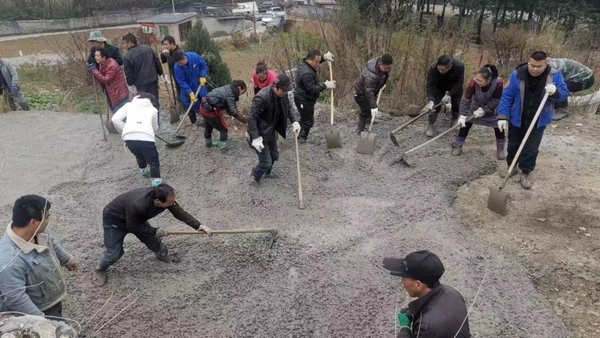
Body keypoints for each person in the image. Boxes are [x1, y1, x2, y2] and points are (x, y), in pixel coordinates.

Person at [94, 184, 204, 286]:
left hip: (136, 219)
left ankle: (162, 254)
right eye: (170, 203)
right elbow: (133, 226)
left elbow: (178, 212)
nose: (172, 204)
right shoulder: (138, 204)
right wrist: (154, 231)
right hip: (115, 221)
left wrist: (199, 226)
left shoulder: (164, 198)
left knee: (153, 241)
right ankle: (100, 269)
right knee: (113, 253)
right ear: (158, 201)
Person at [497, 51, 569, 189]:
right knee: (513, 145)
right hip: (517, 117)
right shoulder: (518, 73)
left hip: (539, 119)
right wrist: (502, 115)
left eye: (539, 66)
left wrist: (555, 91)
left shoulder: (554, 75)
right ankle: (511, 167)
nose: (535, 69)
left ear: (545, 64)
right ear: (528, 62)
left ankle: (525, 173)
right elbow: (507, 95)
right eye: (532, 65)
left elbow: (564, 94)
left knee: (531, 149)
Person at [0, 195, 77, 317]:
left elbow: (52, 243)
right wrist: (42, 321)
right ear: (34, 222)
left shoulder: (38, 231)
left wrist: (67, 260)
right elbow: (16, 298)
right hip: (39, 309)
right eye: (47, 217)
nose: (48, 220)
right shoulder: (10, 261)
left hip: (49, 300)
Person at [382, 250, 470, 338]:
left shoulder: (426, 328)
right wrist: (417, 312)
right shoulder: (452, 293)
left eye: (404, 277)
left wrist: (404, 329)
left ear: (418, 285)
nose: (402, 282)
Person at [247, 74, 300, 185]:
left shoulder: (283, 94)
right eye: (283, 90)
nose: (285, 92)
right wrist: (255, 137)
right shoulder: (261, 97)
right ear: (275, 87)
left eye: (286, 90)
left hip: (271, 130)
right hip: (260, 133)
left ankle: (267, 172)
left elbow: (289, 107)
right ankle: (255, 177)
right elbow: (251, 117)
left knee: (275, 156)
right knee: (266, 161)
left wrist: (294, 121)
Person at [452, 64, 505, 159]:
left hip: (492, 108)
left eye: (480, 80)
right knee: (466, 124)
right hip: (475, 106)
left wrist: (485, 110)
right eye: (477, 79)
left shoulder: (498, 83)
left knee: (499, 126)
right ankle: (458, 145)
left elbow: (497, 100)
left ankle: (500, 150)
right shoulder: (473, 83)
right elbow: (466, 99)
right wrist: (463, 116)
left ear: (488, 80)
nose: (477, 81)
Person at [111, 93, 162, 187]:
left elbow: (115, 119)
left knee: (138, 154)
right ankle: (156, 181)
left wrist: (125, 129)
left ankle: (143, 170)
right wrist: (151, 131)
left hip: (129, 137)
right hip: (147, 136)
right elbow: (154, 127)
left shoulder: (128, 106)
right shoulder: (153, 110)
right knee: (153, 159)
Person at [293, 49, 336, 143]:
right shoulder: (306, 74)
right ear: (309, 59)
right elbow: (311, 89)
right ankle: (301, 139)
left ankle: (298, 134)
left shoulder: (305, 64)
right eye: (316, 61)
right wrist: (325, 85)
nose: (318, 64)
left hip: (303, 98)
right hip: (304, 99)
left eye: (319, 61)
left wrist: (324, 57)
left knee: (304, 118)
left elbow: (316, 61)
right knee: (308, 121)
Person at [122, 33, 166, 111]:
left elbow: (129, 73)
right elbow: (157, 62)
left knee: (143, 105)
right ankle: (156, 121)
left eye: (124, 43)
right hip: (153, 81)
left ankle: (147, 121)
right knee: (154, 102)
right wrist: (161, 73)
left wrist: (131, 85)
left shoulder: (127, 56)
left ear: (130, 43)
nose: (124, 46)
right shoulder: (147, 48)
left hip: (140, 85)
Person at [423, 55, 465, 137]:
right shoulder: (433, 68)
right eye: (439, 69)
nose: (440, 71)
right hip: (440, 86)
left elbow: (459, 83)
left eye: (443, 70)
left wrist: (449, 95)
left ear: (449, 67)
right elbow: (430, 85)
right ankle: (430, 125)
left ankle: (454, 120)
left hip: (454, 85)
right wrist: (431, 100)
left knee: (456, 103)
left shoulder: (459, 66)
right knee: (435, 106)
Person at [200, 80, 248, 150]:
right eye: (242, 92)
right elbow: (234, 111)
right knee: (224, 129)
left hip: (203, 107)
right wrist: (245, 121)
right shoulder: (231, 94)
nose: (240, 95)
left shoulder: (228, 87)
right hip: (211, 111)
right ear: (239, 88)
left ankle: (208, 144)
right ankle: (223, 146)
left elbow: (228, 107)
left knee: (208, 127)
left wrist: (232, 114)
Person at [354, 53, 393, 134]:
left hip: (372, 90)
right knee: (366, 110)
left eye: (389, 68)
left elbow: (384, 75)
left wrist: (382, 84)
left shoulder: (383, 69)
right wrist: (373, 106)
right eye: (386, 68)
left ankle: (369, 120)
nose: (387, 70)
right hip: (361, 93)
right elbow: (368, 91)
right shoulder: (371, 74)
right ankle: (360, 129)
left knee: (370, 105)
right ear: (380, 64)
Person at [173, 50, 209, 125]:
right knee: (189, 106)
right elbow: (182, 82)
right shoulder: (177, 68)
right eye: (177, 63)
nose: (179, 65)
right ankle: (194, 123)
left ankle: (207, 122)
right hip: (187, 89)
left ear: (184, 58)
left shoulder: (194, 57)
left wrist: (202, 76)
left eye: (180, 63)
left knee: (204, 103)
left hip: (199, 86)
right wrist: (190, 92)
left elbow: (203, 65)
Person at [88, 48, 129, 113]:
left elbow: (106, 79)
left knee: (122, 116)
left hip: (120, 94)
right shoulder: (103, 64)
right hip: (114, 93)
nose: (95, 58)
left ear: (104, 57)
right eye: (95, 55)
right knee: (118, 115)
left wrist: (94, 70)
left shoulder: (111, 65)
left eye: (97, 56)